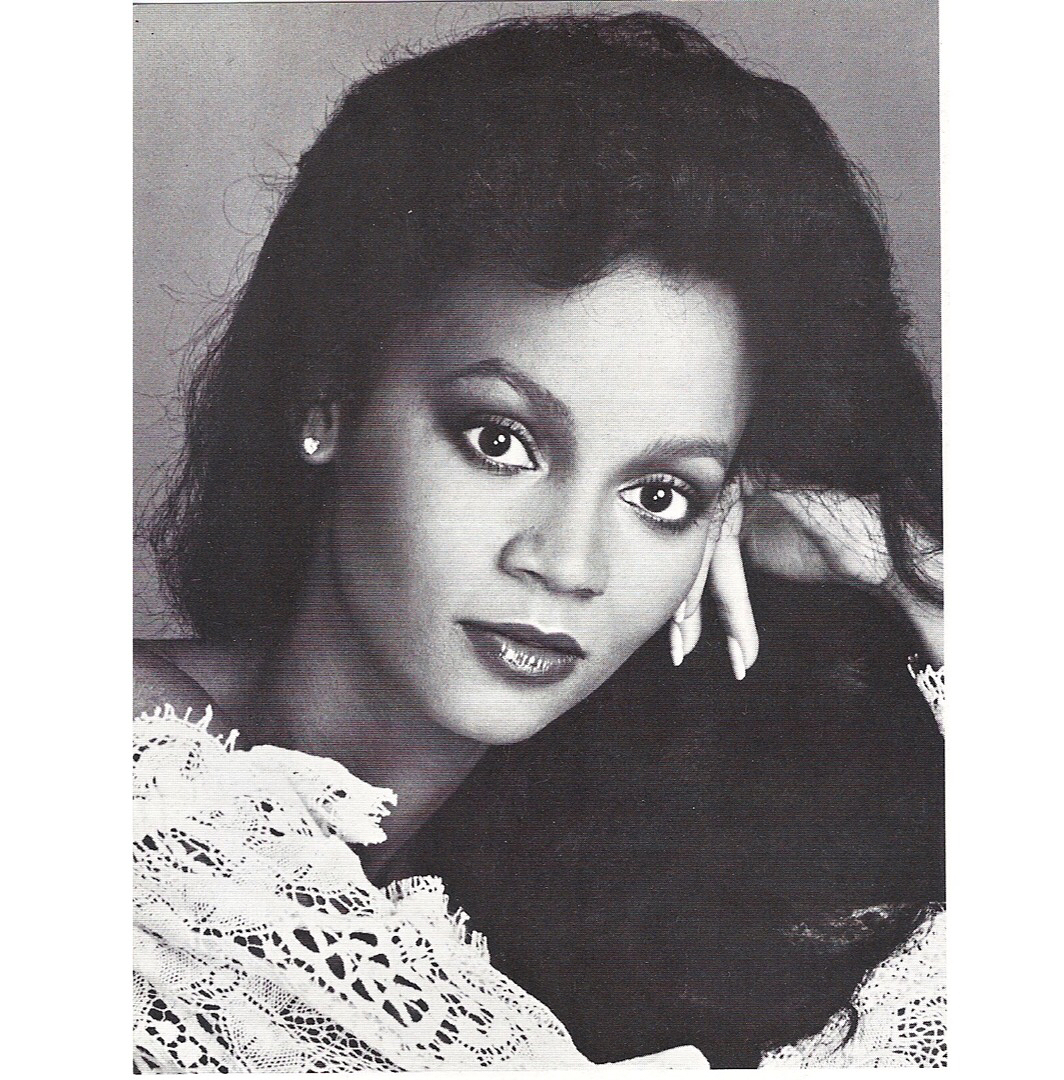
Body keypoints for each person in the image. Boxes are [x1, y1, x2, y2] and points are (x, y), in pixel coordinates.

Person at [135, 12, 944, 1070]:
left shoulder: (557, 888)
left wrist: (904, 577)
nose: (568, 564)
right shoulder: (129, 796)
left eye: (660, 494)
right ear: (327, 397)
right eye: (501, 439)